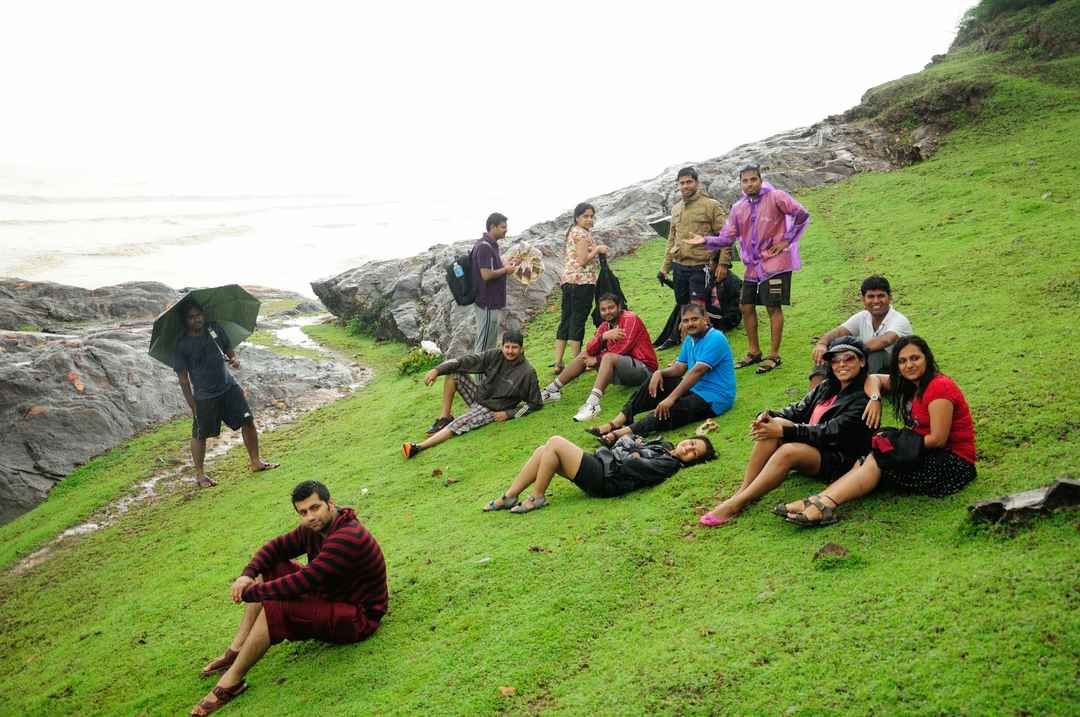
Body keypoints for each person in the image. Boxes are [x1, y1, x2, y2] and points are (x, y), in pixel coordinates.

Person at [189, 481, 387, 716]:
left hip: (357, 617)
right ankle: (236, 649)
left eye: (315, 508)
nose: (310, 516)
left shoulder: (347, 537)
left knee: (278, 607)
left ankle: (231, 683)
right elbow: (276, 547)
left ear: (330, 504)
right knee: (268, 567)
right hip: (330, 596)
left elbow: (303, 581)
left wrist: (249, 592)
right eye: (303, 512)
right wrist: (247, 575)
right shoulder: (315, 529)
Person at [777, 336, 976, 526]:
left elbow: (938, 439)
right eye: (902, 361)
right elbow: (873, 379)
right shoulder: (908, 383)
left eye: (915, 358)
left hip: (953, 463)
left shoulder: (938, 388)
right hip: (926, 452)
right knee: (869, 454)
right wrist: (875, 399)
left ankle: (824, 504)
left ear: (927, 358)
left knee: (878, 457)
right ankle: (817, 501)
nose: (909, 365)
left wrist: (897, 444)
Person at [699, 337, 873, 527]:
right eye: (835, 360)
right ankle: (743, 490)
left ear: (862, 361)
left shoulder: (864, 399)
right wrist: (767, 417)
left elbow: (830, 432)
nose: (841, 365)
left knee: (787, 449)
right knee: (775, 424)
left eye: (848, 359)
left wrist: (784, 430)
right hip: (815, 445)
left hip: (838, 458)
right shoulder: (827, 386)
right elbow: (797, 410)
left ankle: (737, 503)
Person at [689, 164, 810, 374]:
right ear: (741, 184)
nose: (749, 184)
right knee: (745, 306)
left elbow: (801, 214)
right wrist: (706, 240)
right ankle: (754, 352)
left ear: (760, 180)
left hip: (776, 262)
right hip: (753, 266)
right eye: (745, 181)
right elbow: (728, 237)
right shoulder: (738, 208)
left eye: (753, 179)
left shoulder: (777, 197)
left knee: (773, 307)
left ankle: (774, 355)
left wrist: (786, 241)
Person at [589, 304, 735, 444]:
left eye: (695, 319)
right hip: (695, 390)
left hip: (715, 399)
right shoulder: (690, 339)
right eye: (686, 320)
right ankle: (619, 420)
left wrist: (670, 398)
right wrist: (659, 372)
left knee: (671, 408)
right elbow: (680, 368)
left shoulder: (715, 338)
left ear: (705, 319)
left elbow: (696, 372)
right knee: (657, 379)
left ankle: (624, 433)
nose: (690, 323)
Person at [174, 299, 277, 488]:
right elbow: (183, 378)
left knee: (248, 421)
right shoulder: (182, 344)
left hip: (229, 387)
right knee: (200, 434)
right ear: (185, 320)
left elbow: (228, 347)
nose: (197, 320)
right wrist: (192, 404)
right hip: (204, 396)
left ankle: (256, 461)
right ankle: (200, 475)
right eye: (191, 317)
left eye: (199, 315)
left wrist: (233, 359)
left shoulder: (213, 329)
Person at [482, 433, 715, 513]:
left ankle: (537, 497)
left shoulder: (670, 464)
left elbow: (634, 465)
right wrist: (634, 449)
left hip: (608, 478)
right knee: (545, 451)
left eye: (694, 452)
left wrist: (633, 450)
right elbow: (631, 446)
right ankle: (509, 496)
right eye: (692, 443)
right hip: (606, 464)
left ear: (693, 461)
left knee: (554, 442)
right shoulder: (664, 447)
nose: (689, 448)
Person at [403, 330, 543, 458]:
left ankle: (419, 447)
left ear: (522, 349)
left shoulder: (527, 372)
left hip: (491, 409)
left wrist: (509, 414)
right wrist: (437, 370)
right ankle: (444, 418)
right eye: (507, 347)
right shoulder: (494, 355)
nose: (510, 351)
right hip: (479, 396)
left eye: (514, 347)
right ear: (502, 346)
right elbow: (465, 361)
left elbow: (536, 404)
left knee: (459, 422)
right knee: (454, 374)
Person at [541, 293, 658, 422]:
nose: (607, 312)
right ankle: (552, 390)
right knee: (585, 355)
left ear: (619, 307)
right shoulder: (605, 326)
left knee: (607, 358)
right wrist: (603, 337)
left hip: (645, 369)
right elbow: (590, 349)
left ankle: (592, 404)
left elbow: (622, 349)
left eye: (611, 308)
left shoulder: (630, 319)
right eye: (603, 309)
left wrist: (597, 360)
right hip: (624, 370)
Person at [656, 166, 730, 349]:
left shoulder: (710, 205)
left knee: (698, 309)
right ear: (678, 185)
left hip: (701, 265)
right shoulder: (675, 209)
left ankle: (708, 346)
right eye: (682, 183)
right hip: (680, 265)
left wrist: (723, 263)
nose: (685, 186)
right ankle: (687, 348)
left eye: (689, 182)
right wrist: (665, 268)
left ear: (696, 182)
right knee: (684, 309)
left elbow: (726, 236)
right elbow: (671, 240)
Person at [809, 275, 912, 388]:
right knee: (828, 353)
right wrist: (822, 344)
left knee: (875, 353)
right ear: (863, 300)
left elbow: (885, 340)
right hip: (872, 372)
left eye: (881, 296)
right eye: (871, 297)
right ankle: (814, 396)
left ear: (890, 298)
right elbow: (839, 332)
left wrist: (850, 352)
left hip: (898, 373)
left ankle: (853, 391)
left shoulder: (899, 320)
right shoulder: (862, 316)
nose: (876, 301)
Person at [552, 202, 608, 373]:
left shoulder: (572, 232)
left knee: (566, 320)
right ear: (577, 218)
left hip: (568, 280)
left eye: (591, 216)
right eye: (585, 216)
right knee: (578, 321)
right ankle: (579, 363)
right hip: (582, 282)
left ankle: (558, 363)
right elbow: (583, 260)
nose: (589, 219)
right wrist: (597, 249)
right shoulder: (582, 234)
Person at [471, 212, 522, 353]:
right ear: (492, 227)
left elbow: (494, 268)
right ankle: (479, 375)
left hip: (491, 302)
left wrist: (508, 265)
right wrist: (506, 270)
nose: (506, 230)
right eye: (502, 227)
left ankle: (486, 374)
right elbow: (486, 275)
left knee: (490, 341)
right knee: (484, 342)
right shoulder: (484, 247)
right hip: (487, 302)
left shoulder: (491, 245)